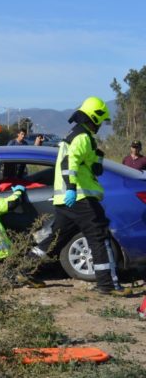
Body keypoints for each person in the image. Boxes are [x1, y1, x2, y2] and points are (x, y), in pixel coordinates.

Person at [33, 96, 132, 296]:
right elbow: (69, 163)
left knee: (56, 237)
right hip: (79, 196)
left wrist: (97, 158)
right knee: (99, 236)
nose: (100, 126)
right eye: (100, 121)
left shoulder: (76, 135)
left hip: (67, 199)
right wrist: (71, 188)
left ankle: (25, 270)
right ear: (93, 118)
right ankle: (108, 285)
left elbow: (85, 164)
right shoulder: (82, 137)